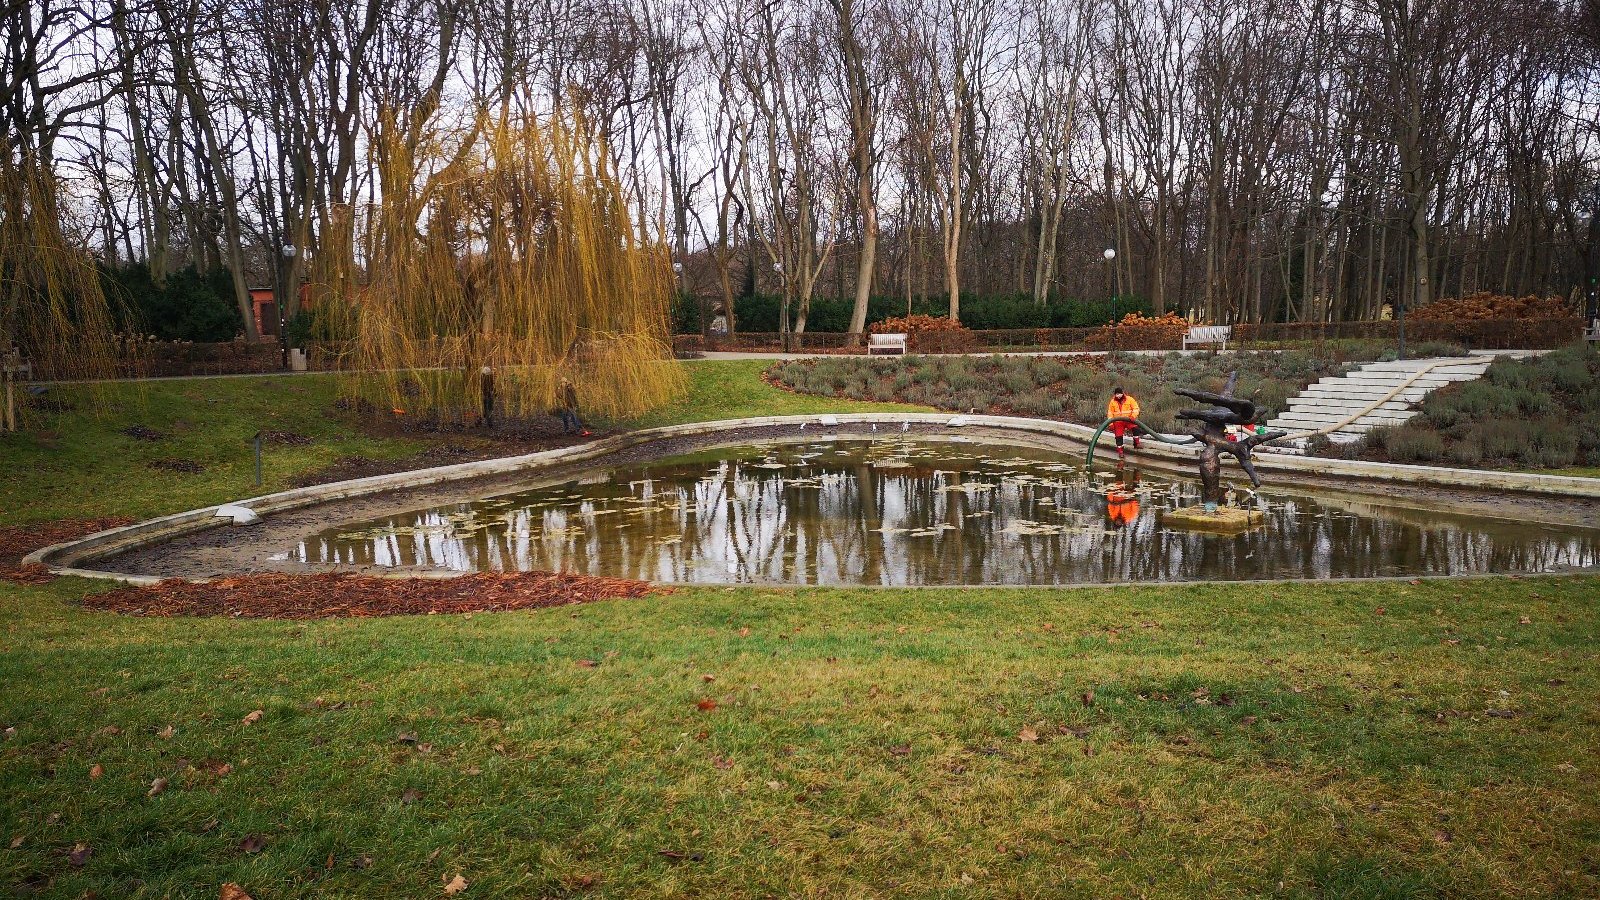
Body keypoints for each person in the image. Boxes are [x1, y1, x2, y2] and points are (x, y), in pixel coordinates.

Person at [1105, 386, 1142, 457]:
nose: (1118, 396)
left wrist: (1133, 416)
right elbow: (1110, 413)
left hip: (1129, 420)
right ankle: (1120, 451)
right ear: (1115, 395)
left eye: (1119, 394)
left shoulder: (1130, 399)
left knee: (1136, 429)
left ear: (1122, 393)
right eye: (1117, 394)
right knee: (1118, 436)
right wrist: (1111, 424)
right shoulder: (1112, 402)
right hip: (1118, 422)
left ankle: (1136, 444)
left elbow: (1136, 408)